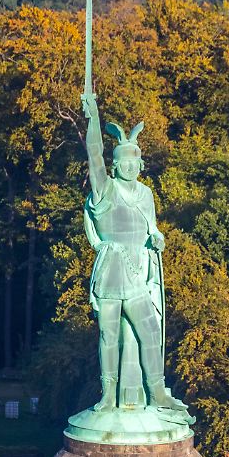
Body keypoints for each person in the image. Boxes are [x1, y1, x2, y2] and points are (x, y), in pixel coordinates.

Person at [80, 94, 189, 420]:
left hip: (139, 271)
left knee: (150, 331)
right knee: (108, 334)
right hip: (113, 270)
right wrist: (94, 116)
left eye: (135, 161)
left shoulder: (146, 194)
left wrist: (158, 239)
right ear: (116, 165)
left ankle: (157, 392)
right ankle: (108, 396)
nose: (130, 166)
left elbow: (152, 230)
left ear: (141, 163)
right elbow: (94, 155)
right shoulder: (105, 190)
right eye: (124, 161)